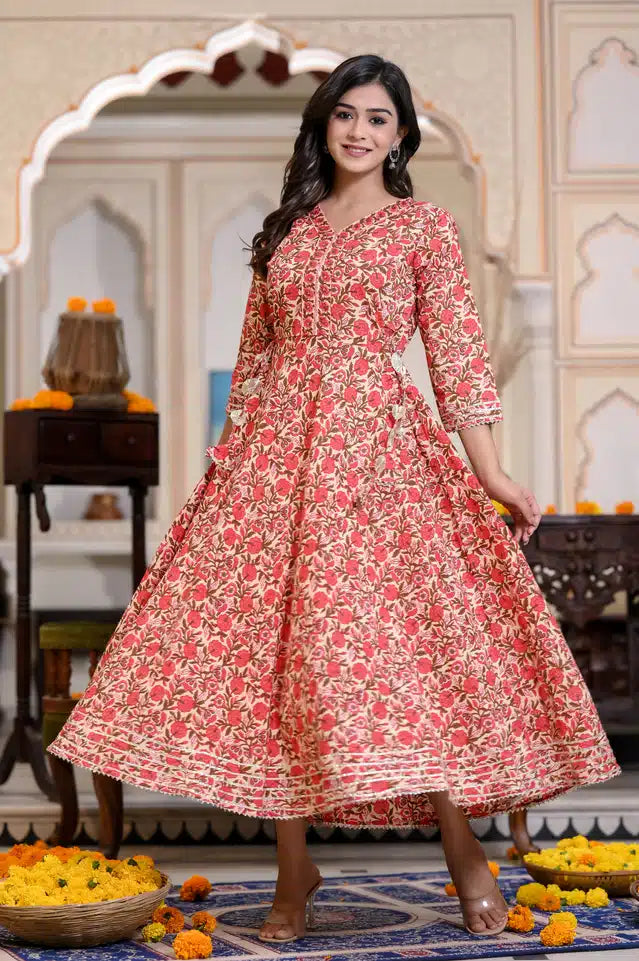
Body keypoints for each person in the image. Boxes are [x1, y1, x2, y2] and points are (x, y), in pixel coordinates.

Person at [48, 53, 620, 943]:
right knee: (279, 662)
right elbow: (254, 364)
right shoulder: (286, 231)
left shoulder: (421, 227)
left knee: (408, 654)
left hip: (381, 459)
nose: (359, 130)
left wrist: (491, 473)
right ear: (323, 123)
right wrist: (232, 463)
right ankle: (293, 867)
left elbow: (457, 358)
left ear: (400, 136)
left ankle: (462, 847)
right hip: (276, 464)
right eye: (345, 113)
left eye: (378, 118)